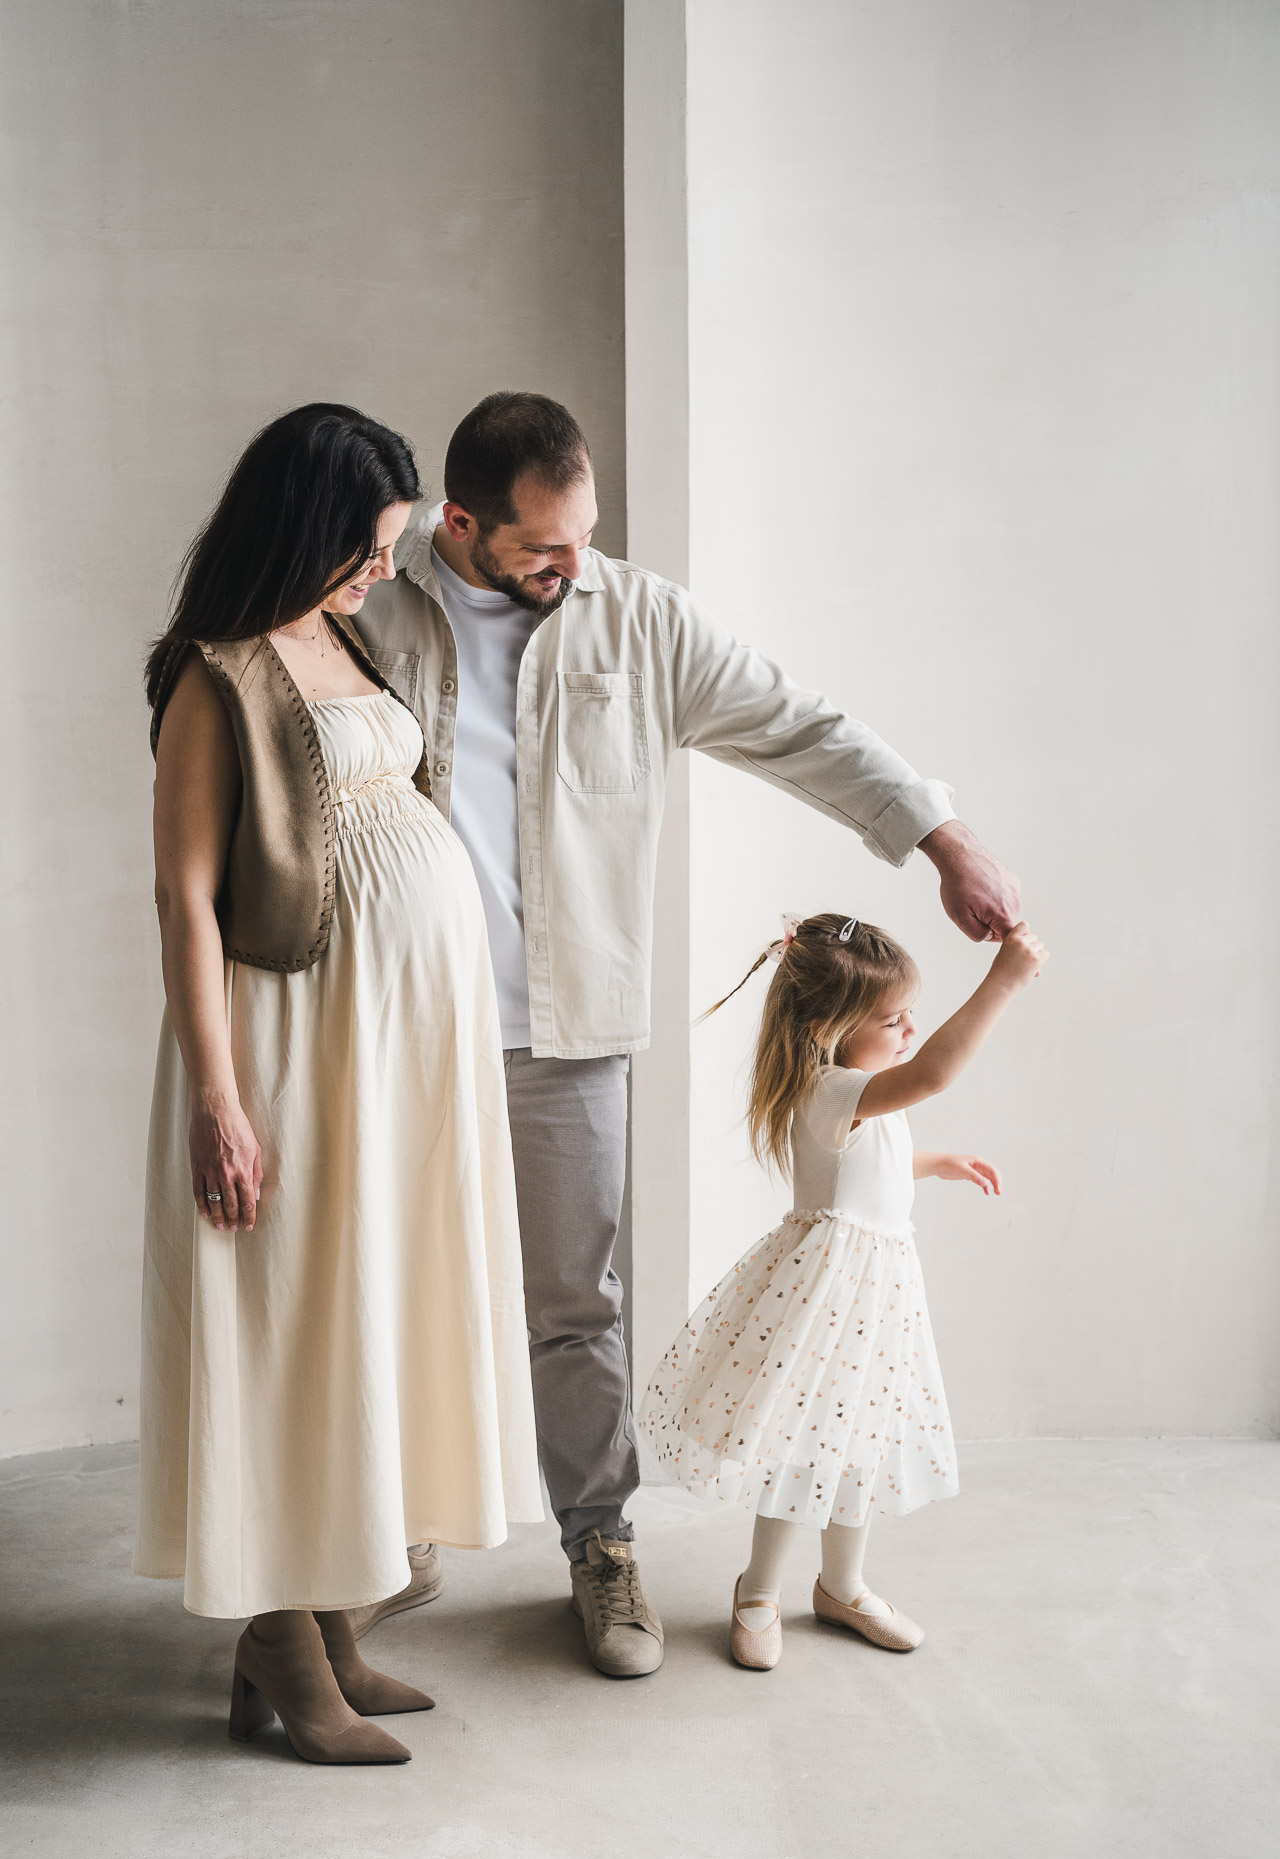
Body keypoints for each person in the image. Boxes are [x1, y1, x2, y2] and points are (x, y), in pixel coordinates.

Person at [349, 391, 1022, 1679]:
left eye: (586, 534)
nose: (574, 563)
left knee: (573, 1304)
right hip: (396, 1023)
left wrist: (940, 839)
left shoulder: (636, 618)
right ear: (459, 523)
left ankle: (599, 1546)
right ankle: (393, 1543)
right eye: (544, 546)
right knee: (392, 1287)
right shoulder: (371, 609)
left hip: (566, 1029)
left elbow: (800, 727)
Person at [132, 403, 542, 1763]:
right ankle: (280, 1641)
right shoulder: (216, 679)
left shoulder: (340, 634)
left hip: (395, 1050)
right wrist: (219, 1096)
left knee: (363, 1307)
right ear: (302, 529)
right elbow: (186, 900)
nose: (382, 571)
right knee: (296, 1316)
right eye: (364, 548)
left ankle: (328, 1620)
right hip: (294, 1042)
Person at [638, 912, 1047, 1668]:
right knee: (799, 1447)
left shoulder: (860, 1097)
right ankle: (759, 1589)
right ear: (826, 1029)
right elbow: (930, 1076)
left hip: (877, 1295)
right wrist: (1002, 982)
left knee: (858, 1441)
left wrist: (934, 1162)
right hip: (826, 1301)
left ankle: (842, 1586)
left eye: (909, 1014)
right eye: (892, 1019)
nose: (910, 1029)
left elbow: (870, 1158)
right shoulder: (828, 1088)